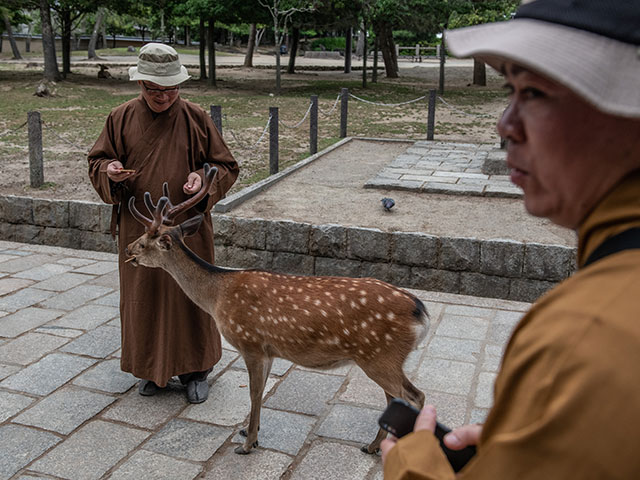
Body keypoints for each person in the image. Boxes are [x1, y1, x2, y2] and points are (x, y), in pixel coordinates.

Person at [381, 0, 640, 478]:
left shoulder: (584, 336)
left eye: (536, 93)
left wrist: (413, 468)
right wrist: (524, 453)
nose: (505, 125)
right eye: (510, 90)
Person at [88, 43, 239, 404]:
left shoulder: (196, 117)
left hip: (185, 228)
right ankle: (151, 368)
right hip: (138, 226)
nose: (163, 97)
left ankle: (196, 369)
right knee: (144, 296)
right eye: (155, 90)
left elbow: (225, 166)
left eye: (171, 89)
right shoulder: (120, 117)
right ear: (140, 84)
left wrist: (203, 180)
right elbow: (98, 160)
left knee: (192, 294)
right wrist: (109, 170)